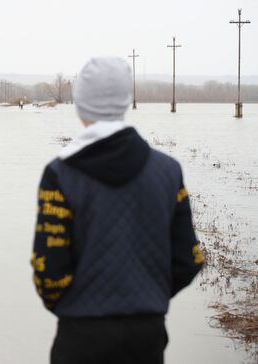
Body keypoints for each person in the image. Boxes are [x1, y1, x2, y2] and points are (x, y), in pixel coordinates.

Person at [31, 58, 204, 364]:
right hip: (146, 335)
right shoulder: (168, 170)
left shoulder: (60, 174)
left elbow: (49, 272)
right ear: (126, 100)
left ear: (80, 104)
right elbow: (189, 260)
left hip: (80, 335)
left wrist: (75, 306)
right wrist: (149, 297)